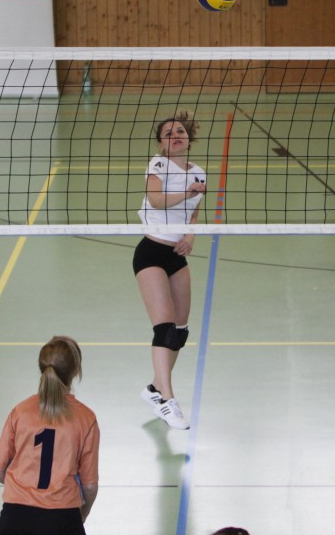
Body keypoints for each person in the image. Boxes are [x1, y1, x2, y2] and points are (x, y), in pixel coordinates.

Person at [134, 110, 206, 430]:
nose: (175, 136)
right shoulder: (158, 165)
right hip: (151, 252)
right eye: (168, 133)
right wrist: (188, 192)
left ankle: (153, 388)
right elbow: (156, 199)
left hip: (176, 255)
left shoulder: (199, 173)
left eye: (180, 131)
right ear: (161, 144)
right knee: (163, 328)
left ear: (189, 137)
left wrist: (190, 236)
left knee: (179, 331)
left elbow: (193, 213)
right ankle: (168, 400)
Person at [0, 335, 100, 535]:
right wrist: (83, 513)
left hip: (14, 518)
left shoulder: (20, 412)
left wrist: (23, 487)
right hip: (62, 518)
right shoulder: (86, 418)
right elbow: (90, 486)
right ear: (76, 371)